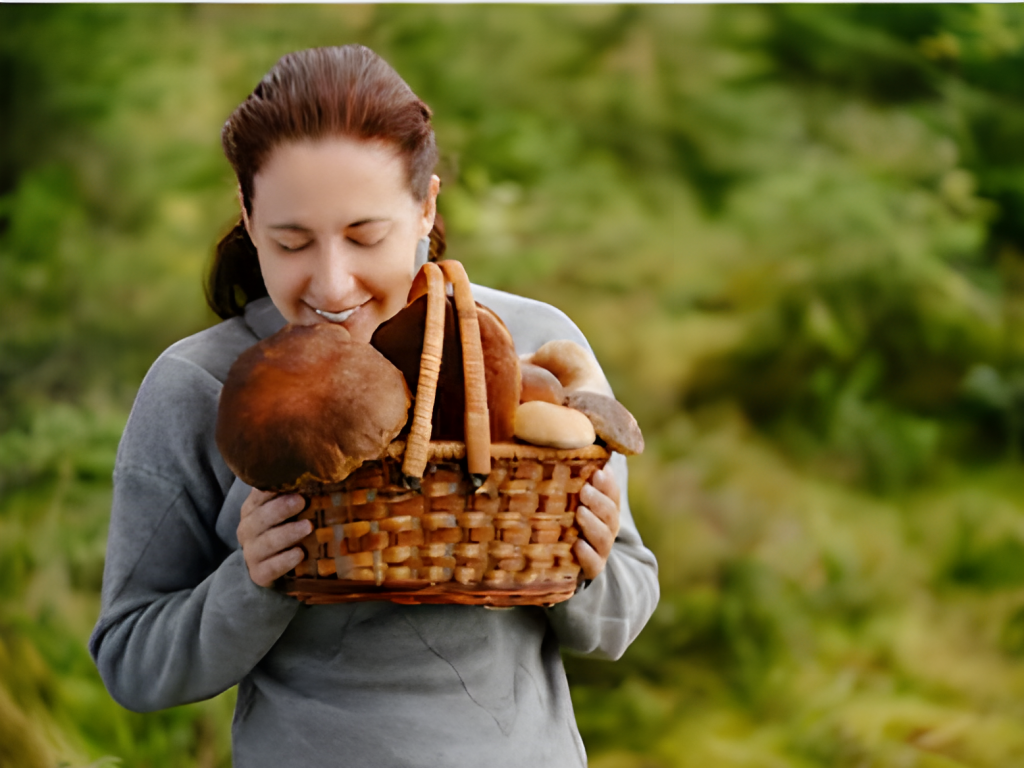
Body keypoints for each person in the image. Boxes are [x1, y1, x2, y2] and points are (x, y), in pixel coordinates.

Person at [90, 45, 659, 768]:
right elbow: (131, 661)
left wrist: (587, 564)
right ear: (247, 213)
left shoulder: (530, 348)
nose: (331, 284)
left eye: (366, 236)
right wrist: (252, 580)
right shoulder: (197, 386)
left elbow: (620, 617)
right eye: (292, 242)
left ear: (425, 206)